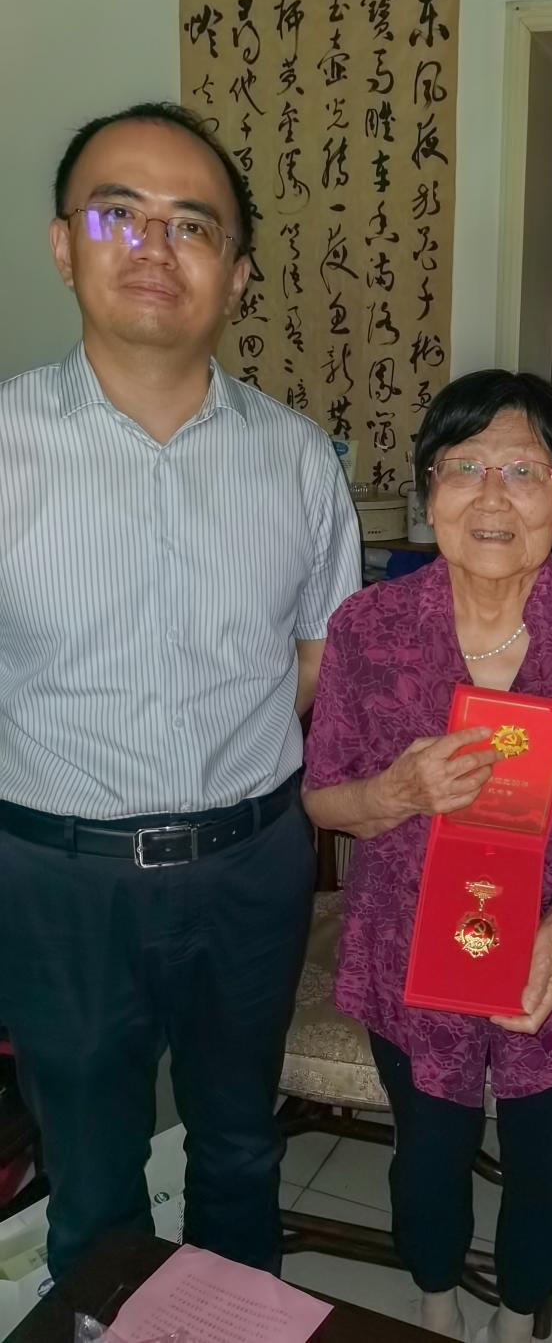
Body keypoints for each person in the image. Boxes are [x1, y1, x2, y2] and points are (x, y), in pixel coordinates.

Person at [0, 103, 361, 1281]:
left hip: (248, 868)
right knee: (91, 1172)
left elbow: (317, 657)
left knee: (242, 1149)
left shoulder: (298, 459)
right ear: (65, 245)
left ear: (237, 273)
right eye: (120, 215)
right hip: (59, 880)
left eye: (192, 224)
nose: (156, 246)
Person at [303, 370, 552, 1343]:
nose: (492, 496)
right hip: (411, 958)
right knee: (426, 1158)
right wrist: (395, 793)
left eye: (523, 470)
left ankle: (519, 1314)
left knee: (544, 1172)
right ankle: (434, 1299)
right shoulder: (369, 631)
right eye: (464, 467)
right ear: (429, 491)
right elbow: (323, 796)